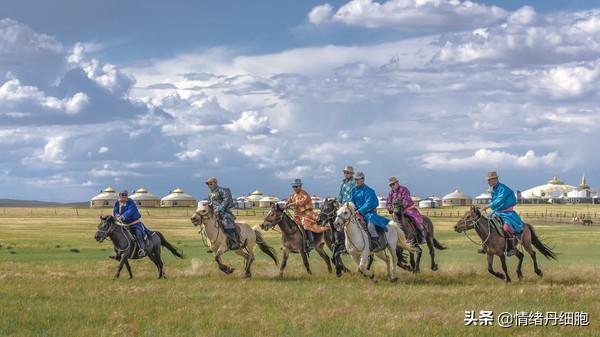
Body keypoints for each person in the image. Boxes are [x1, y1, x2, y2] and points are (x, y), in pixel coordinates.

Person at [482, 171, 524, 256]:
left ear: (496, 179)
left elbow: (499, 200)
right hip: (497, 211)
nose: (488, 182)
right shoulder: (493, 189)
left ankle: (512, 247)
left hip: (507, 212)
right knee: (487, 225)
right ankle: (486, 246)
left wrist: (488, 206)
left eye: (490, 180)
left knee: (506, 228)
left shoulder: (503, 188)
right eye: (488, 180)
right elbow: (495, 201)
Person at [351, 172, 389, 251]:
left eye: (358, 179)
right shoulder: (353, 190)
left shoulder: (369, 191)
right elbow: (352, 201)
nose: (356, 181)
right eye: (355, 179)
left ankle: (375, 241)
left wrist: (360, 211)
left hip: (368, 212)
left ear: (363, 180)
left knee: (370, 225)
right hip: (356, 212)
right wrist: (352, 208)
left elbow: (368, 203)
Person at [286, 178, 328, 250]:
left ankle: (311, 242)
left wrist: (292, 204)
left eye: (296, 186)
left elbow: (302, 202)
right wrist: (286, 204)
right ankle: (290, 242)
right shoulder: (293, 195)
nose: (295, 188)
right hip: (297, 215)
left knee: (305, 224)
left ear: (300, 186)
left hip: (307, 213)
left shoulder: (304, 194)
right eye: (293, 187)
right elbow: (288, 201)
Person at [386, 176, 426, 244]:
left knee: (416, 219)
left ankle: (421, 236)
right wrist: (391, 208)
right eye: (390, 185)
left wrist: (402, 206)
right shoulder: (390, 193)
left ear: (397, 183)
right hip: (396, 211)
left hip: (408, 209)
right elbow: (388, 203)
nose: (392, 186)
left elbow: (406, 199)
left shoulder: (404, 189)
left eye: (393, 184)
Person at [113, 190, 151, 257]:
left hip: (134, 223)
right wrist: (117, 215)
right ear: (119, 196)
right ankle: (118, 250)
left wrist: (122, 216)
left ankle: (142, 249)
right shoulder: (117, 203)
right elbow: (115, 211)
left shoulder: (131, 202)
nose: (124, 197)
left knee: (138, 232)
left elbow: (130, 211)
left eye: (125, 195)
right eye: (122, 195)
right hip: (123, 224)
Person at [206, 177, 240, 250]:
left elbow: (226, 200)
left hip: (224, 211)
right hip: (213, 212)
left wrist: (220, 208)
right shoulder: (210, 194)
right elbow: (211, 203)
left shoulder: (223, 190)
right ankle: (212, 244)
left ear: (215, 183)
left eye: (211, 183)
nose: (209, 185)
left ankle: (234, 242)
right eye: (208, 184)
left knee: (226, 222)